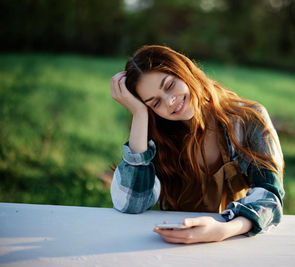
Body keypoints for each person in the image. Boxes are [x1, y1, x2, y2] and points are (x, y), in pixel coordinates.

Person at [110, 45, 285, 244]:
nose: (169, 102)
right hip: (173, 242)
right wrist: (140, 114)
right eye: (155, 103)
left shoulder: (248, 119)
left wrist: (222, 230)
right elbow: (131, 204)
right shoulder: (158, 133)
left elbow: (270, 197)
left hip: (236, 240)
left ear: (186, 72)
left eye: (169, 85)